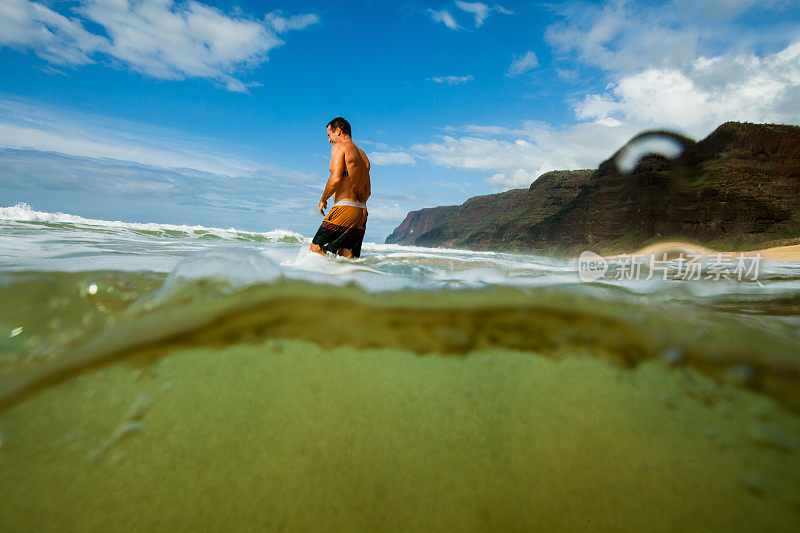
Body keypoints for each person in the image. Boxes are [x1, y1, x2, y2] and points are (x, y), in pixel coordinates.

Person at [309, 117, 371, 258]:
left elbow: (335, 178)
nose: (329, 140)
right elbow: (368, 191)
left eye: (329, 135)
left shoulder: (339, 147)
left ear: (338, 131)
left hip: (345, 208)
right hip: (361, 212)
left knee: (315, 252)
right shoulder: (363, 156)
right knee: (347, 258)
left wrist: (323, 199)